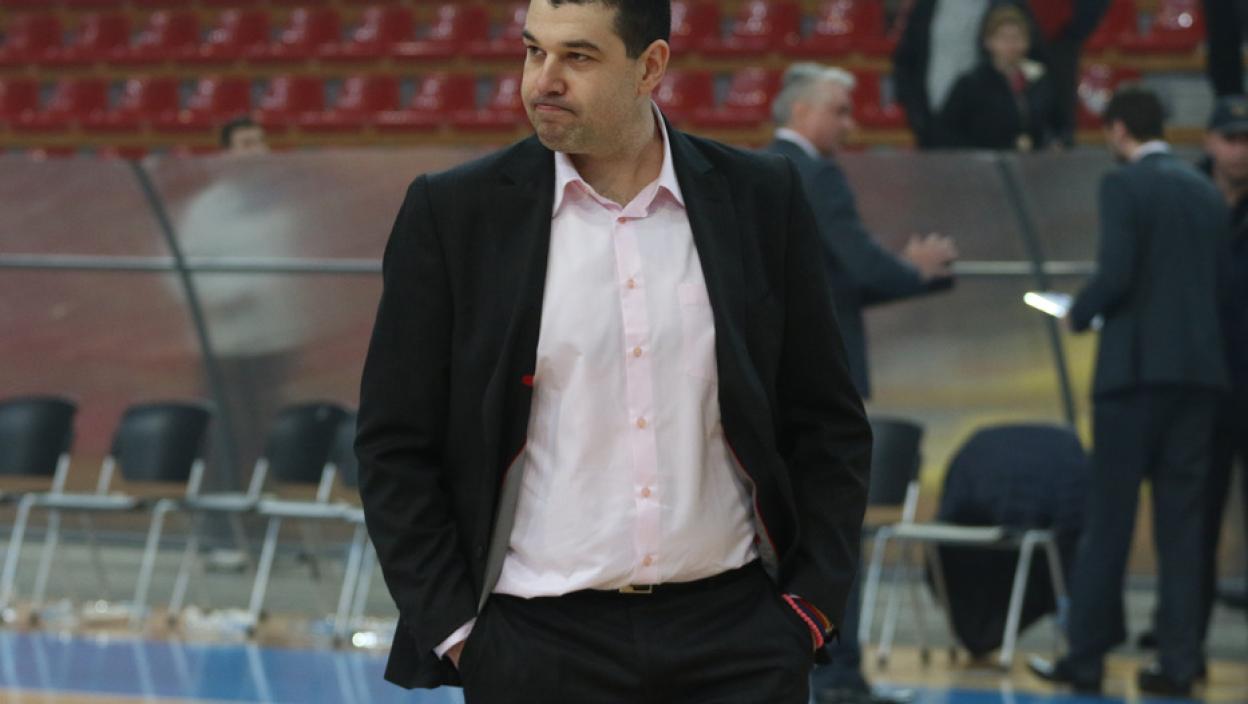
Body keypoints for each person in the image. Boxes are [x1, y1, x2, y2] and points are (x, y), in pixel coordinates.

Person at [354, 1, 873, 701]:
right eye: (534, 51)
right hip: (533, 646)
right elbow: (393, 442)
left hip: (738, 640)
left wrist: (807, 610)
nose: (543, 80)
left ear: (649, 66)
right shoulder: (453, 214)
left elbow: (827, 419)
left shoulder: (760, 198)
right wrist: (456, 631)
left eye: (579, 56)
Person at [1028, 87, 1230, 698]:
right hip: (1200, 379)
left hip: (1133, 376)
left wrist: (1079, 313)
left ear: (1118, 129)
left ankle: (1086, 656)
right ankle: (1178, 662)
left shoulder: (1123, 185)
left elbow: (1116, 273)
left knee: (1109, 521)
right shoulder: (1206, 191)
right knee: (1184, 529)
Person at [764, 63, 956, 704]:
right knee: (832, 525)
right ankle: (838, 670)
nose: (851, 124)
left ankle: (790, 664)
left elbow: (830, 284)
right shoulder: (814, 175)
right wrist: (917, 269)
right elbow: (861, 264)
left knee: (780, 530)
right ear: (800, 113)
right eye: (839, 111)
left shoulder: (757, 171)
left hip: (767, 382)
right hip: (821, 386)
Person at [892, 0, 1041, 148]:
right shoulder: (926, 6)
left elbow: (1038, 58)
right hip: (931, 118)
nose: (1010, 45)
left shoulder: (1004, 4)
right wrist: (915, 114)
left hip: (985, 122)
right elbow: (905, 60)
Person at [937, 4, 1067, 151]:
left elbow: (1060, 125)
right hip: (984, 161)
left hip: (1034, 161)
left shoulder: (1040, 81)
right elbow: (945, 134)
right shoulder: (970, 84)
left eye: (1017, 38)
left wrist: (1056, 142)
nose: (1011, 45)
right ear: (988, 41)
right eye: (1004, 38)